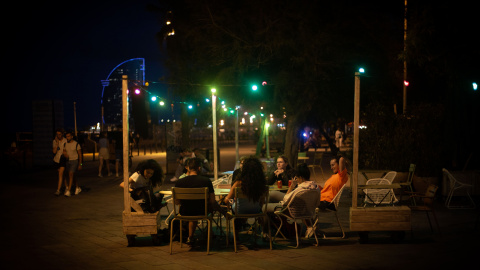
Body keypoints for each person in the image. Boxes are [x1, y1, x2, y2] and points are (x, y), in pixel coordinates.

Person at [174, 158, 223, 246]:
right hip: (202, 212)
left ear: (188, 168)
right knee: (211, 207)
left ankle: (190, 237)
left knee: (192, 208)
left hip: (184, 212)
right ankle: (209, 234)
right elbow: (212, 201)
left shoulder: (179, 182)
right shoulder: (206, 181)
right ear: (199, 168)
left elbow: (176, 202)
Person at [267, 163, 320, 238]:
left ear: (300, 177)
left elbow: (285, 200)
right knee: (272, 194)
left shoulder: (300, 189)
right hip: (307, 210)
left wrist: (292, 186)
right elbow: (317, 204)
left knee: (264, 207)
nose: (297, 179)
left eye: (297, 178)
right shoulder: (316, 188)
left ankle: (267, 232)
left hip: (291, 211)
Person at [223, 157, 268, 236]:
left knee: (235, 209)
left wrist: (229, 200)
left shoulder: (238, 183)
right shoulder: (262, 183)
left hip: (240, 210)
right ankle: (264, 232)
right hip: (256, 210)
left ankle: (236, 236)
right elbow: (262, 201)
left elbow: (226, 200)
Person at [63, 130, 83, 197]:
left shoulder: (76, 144)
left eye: (68, 136)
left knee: (70, 174)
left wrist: (80, 164)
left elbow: (80, 155)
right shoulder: (65, 144)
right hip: (68, 161)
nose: (67, 138)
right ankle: (77, 187)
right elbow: (64, 151)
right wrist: (65, 154)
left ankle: (69, 190)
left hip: (74, 161)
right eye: (66, 137)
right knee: (72, 176)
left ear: (72, 136)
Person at [53, 128, 67, 196]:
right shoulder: (55, 141)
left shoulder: (65, 141)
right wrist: (57, 143)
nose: (58, 136)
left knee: (60, 174)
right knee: (62, 175)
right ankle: (67, 187)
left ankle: (58, 190)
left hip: (63, 159)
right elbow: (54, 152)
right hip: (56, 160)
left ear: (62, 134)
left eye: (60, 134)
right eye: (57, 134)